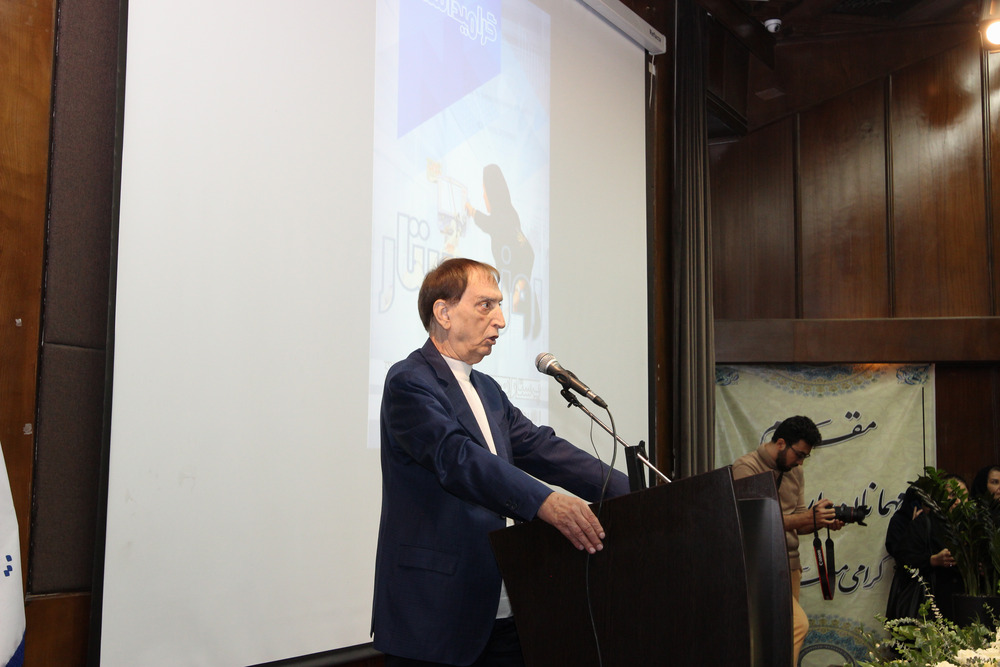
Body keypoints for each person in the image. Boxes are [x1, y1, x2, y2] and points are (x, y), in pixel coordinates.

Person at [371, 257, 630, 667]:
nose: (501, 320)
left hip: (504, 611)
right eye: (485, 305)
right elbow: (456, 457)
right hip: (434, 616)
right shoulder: (409, 381)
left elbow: (543, 448)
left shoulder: (488, 389)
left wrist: (637, 491)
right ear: (444, 312)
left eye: (500, 305)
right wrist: (544, 502)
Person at [730, 415, 843, 667]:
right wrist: (807, 517)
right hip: (760, 568)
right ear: (781, 443)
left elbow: (798, 523)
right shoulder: (746, 467)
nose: (801, 462)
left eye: (805, 457)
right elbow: (754, 522)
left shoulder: (795, 471)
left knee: (779, 639)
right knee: (795, 626)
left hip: (791, 565)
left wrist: (821, 521)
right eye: (799, 454)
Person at [464, 165, 538, 338]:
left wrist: (519, 288)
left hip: (518, 300)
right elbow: (489, 224)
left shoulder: (505, 218)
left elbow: (528, 253)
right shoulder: (501, 217)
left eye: (484, 190)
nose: (483, 196)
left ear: (492, 192)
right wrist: (472, 211)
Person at [884, 474, 966, 623]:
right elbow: (904, 559)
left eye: (963, 496)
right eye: (952, 495)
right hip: (932, 604)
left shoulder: (973, 528)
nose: (958, 501)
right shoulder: (924, 523)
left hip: (965, 605)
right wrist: (932, 560)